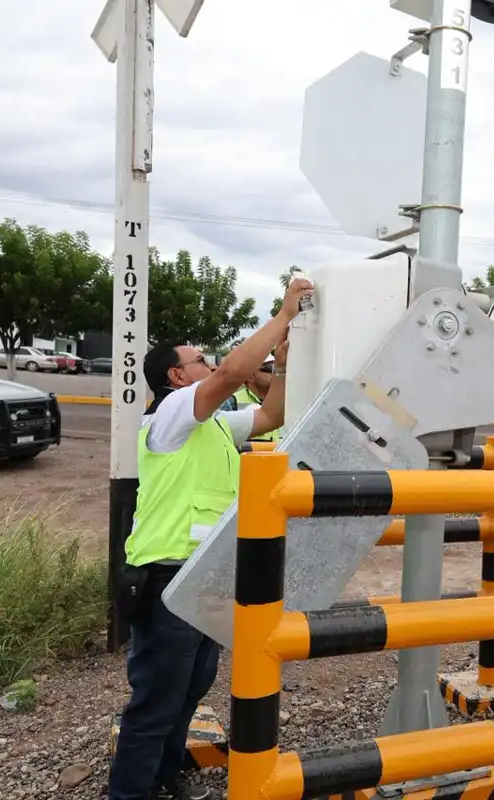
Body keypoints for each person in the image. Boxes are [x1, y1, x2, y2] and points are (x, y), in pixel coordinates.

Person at [108, 277, 313, 800]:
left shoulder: (214, 426)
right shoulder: (173, 412)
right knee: (156, 701)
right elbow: (234, 373)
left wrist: (282, 365)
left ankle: (163, 779)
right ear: (176, 376)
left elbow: (273, 415)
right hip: (166, 578)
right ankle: (129, 793)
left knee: (189, 691)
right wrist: (283, 316)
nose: (210, 363)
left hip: (203, 576)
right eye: (199, 360)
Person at [231, 356, 282, 441]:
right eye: (270, 368)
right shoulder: (233, 402)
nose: (275, 372)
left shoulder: (284, 400)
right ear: (250, 376)